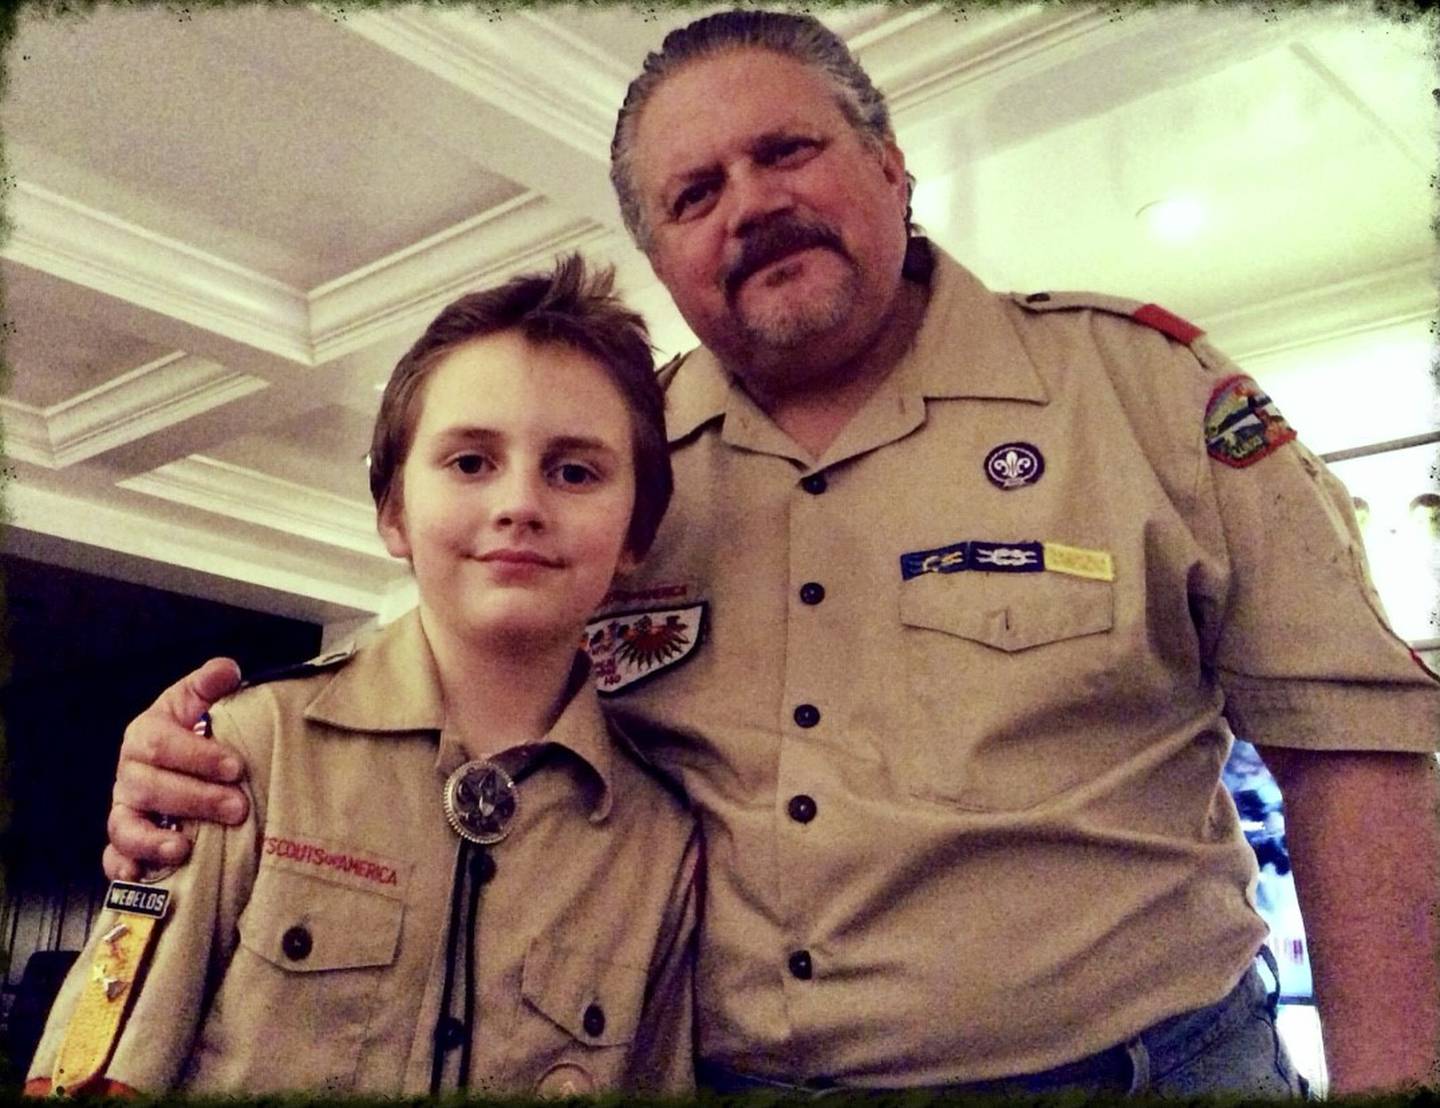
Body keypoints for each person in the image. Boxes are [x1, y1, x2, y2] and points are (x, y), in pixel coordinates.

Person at [101, 10, 1439, 1097]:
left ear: (894, 168)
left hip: (1140, 1072)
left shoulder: (1136, 388)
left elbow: (1355, 742)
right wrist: (222, 753)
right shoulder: (621, 459)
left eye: (785, 153)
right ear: (666, 260)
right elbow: (470, 685)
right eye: (693, 193)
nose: (749, 206)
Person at [27, 256, 699, 1098]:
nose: (521, 502)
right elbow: (99, 1072)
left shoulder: (659, 843)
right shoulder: (248, 746)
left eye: (575, 471)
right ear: (392, 512)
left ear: (636, 533)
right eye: (470, 462)